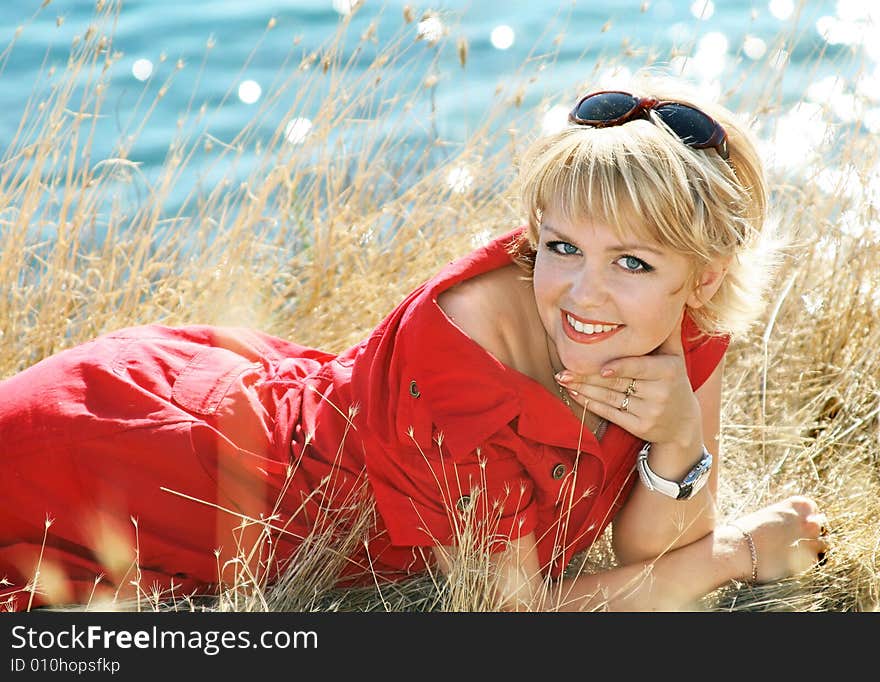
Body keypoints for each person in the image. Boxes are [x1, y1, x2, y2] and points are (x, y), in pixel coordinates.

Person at [0, 71, 829, 612]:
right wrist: (739, 555)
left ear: (706, 276)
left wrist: (680, 433)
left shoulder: (689, 323)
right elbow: (517, 613)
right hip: (141, 467)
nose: (583, 292)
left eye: (633, 262)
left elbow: (651, 541)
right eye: (563, 245)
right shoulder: (471, 353)